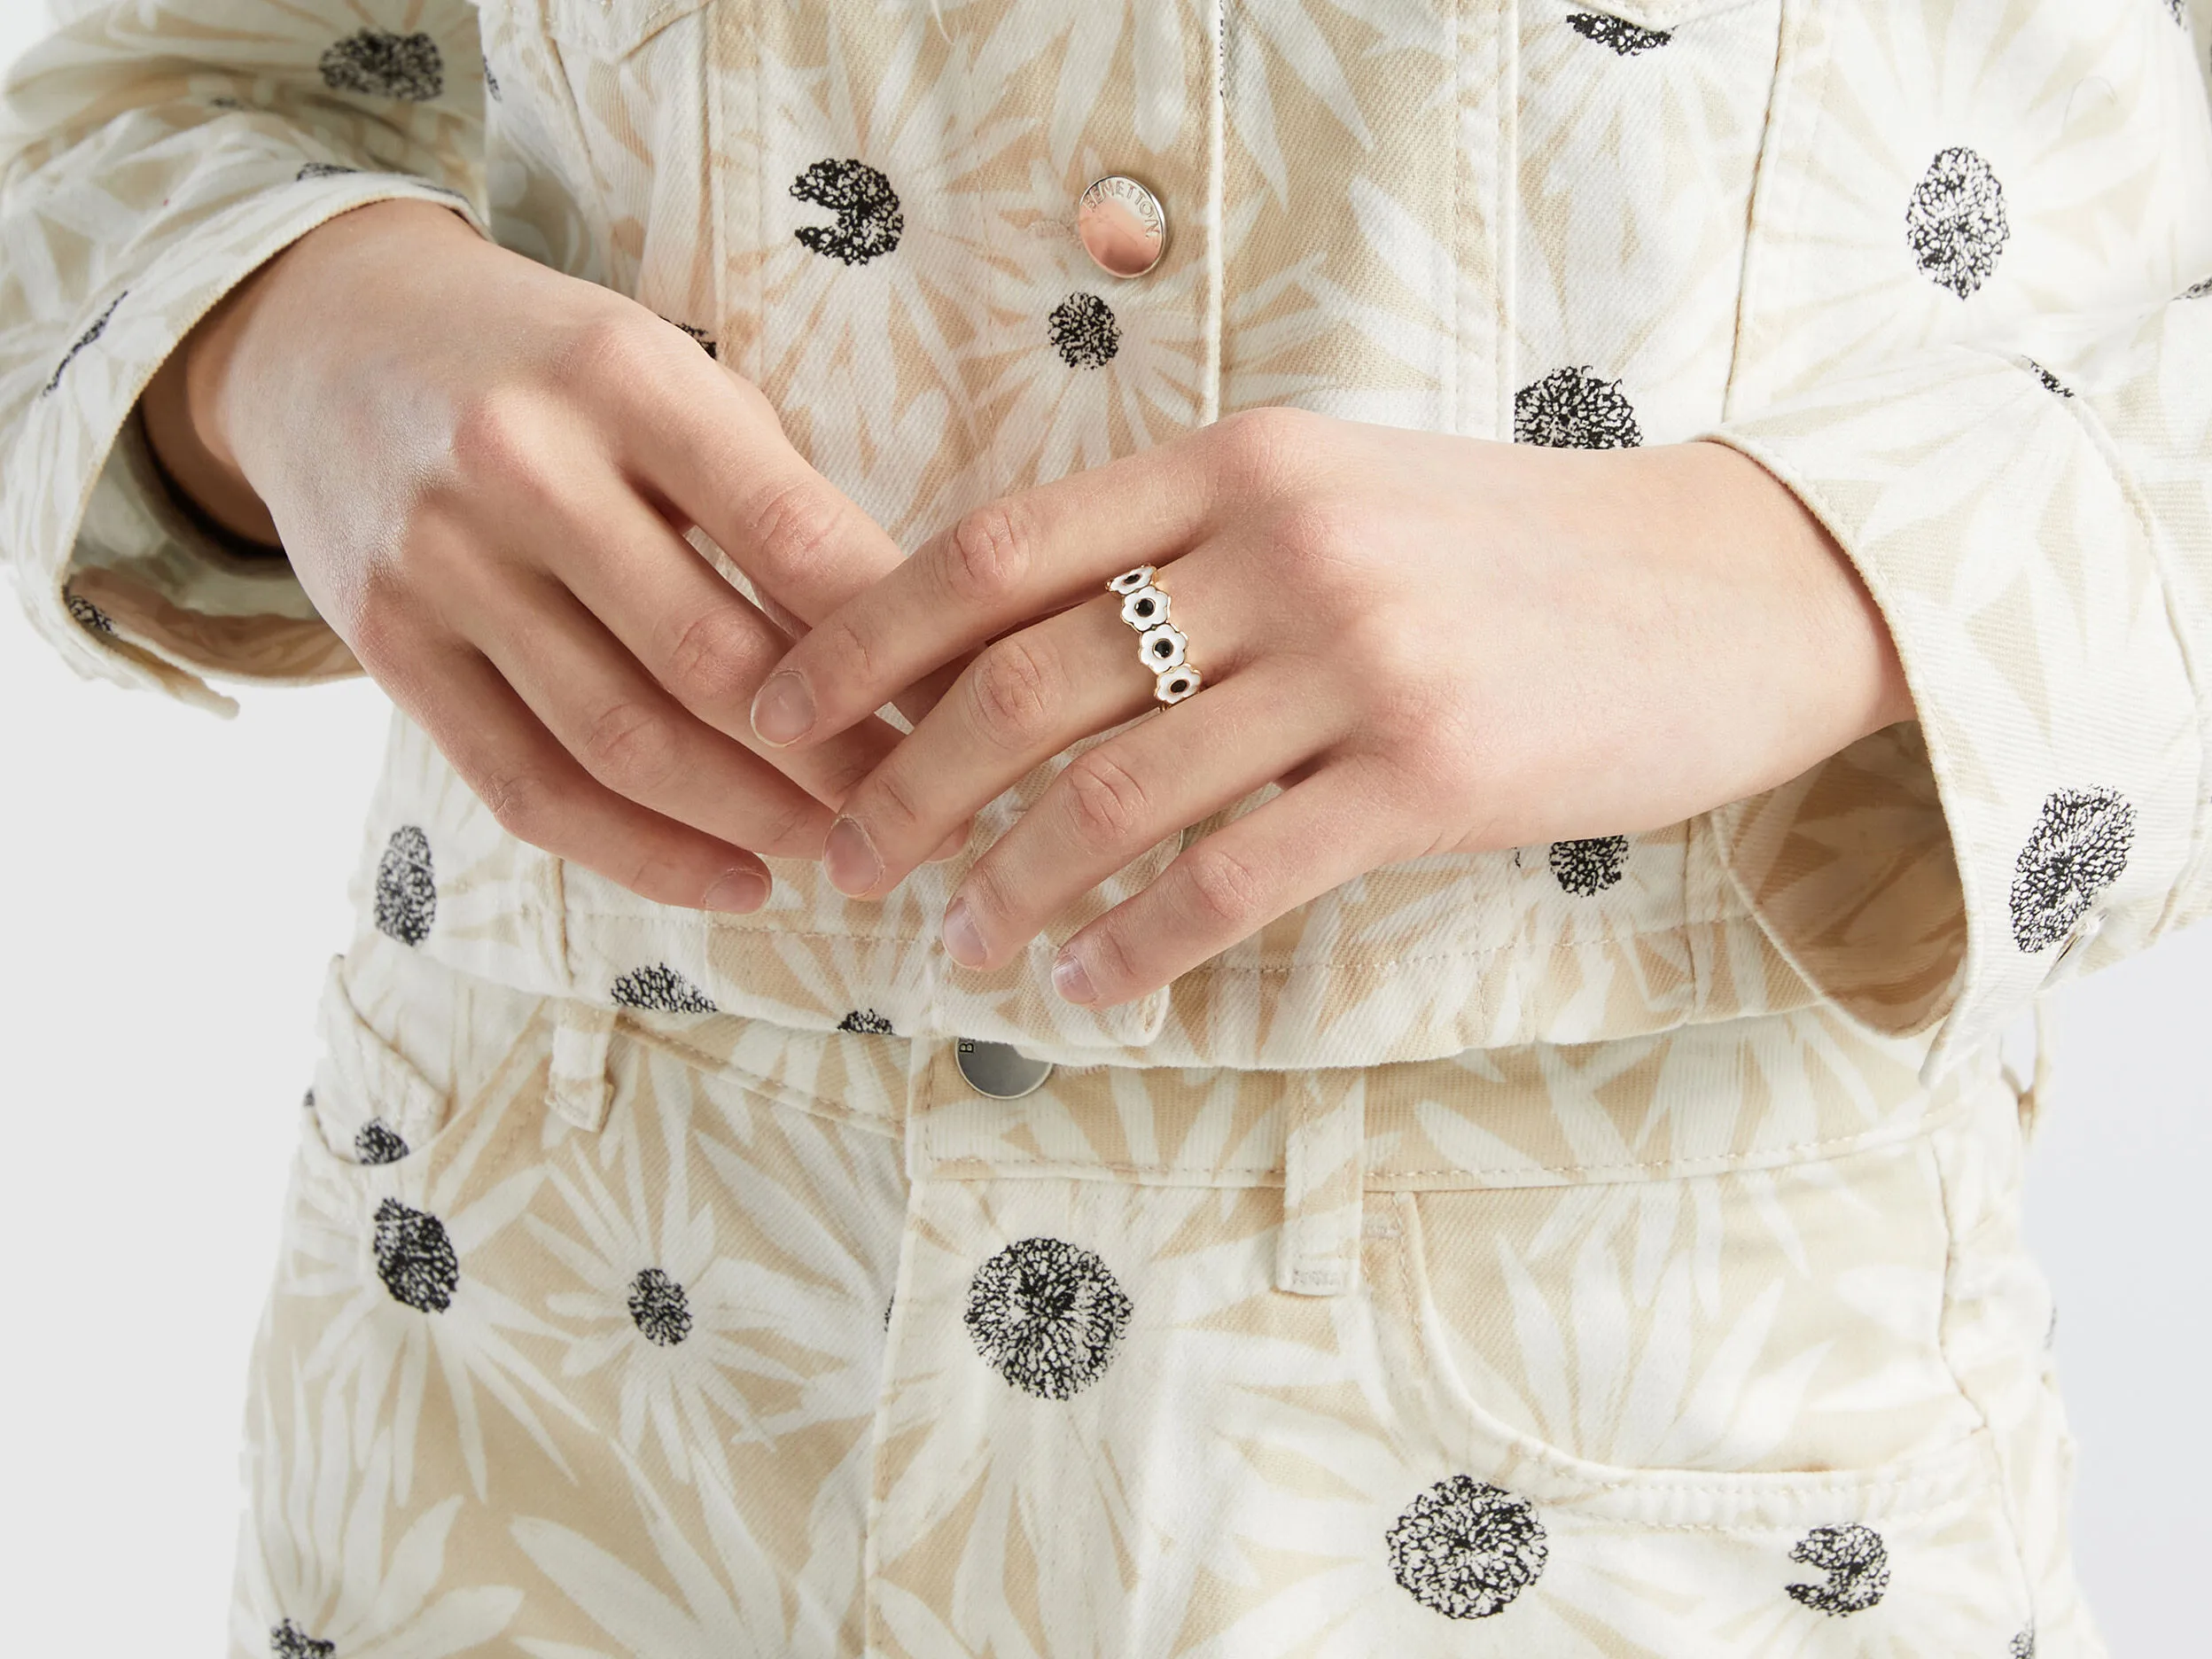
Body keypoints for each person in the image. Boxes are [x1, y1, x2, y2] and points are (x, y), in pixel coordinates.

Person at [4, 1, 2208, 1652]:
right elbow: (146, 104)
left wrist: (1799, 573)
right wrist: (289, 331)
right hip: (547, 1423)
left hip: (1655, 1472)